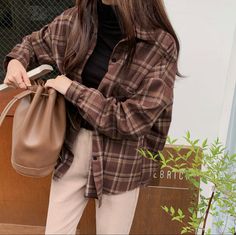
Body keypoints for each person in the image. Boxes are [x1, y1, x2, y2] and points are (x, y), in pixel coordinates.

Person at [3, 0, 181, 234]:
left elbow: (132, 120)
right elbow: (35, 44)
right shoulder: (76, 20)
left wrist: (72, 89)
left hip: (122, 161)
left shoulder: (158, 44)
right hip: (73, 149)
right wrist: (16, 61)